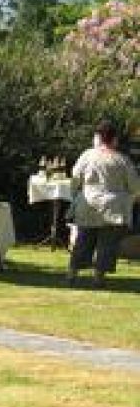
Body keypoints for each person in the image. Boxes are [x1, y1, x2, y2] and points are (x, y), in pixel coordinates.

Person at [68, 120, 140, 287]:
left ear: (99, 137)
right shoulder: (122, 160)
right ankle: (98, 278)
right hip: (113, 208)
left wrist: (76, 196)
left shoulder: (87, 155)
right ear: (115, 139)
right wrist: (133, 198)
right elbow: (135, 186)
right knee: (107, 245)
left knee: (83, 240)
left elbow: (75, 177)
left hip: (88, 204)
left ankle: (71, 274)